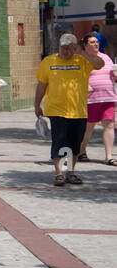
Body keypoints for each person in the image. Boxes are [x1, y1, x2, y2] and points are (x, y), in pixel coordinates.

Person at [34, 33, 106, 186]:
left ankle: (70, 172)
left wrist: (81, 52)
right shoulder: (48, 61)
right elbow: (42, 85)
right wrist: (37, 104)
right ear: (58, 46)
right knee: (59, 142)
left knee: (74, 144)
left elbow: (99, 64)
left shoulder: (82, 60)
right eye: (63, 48)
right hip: (56, 110)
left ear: (74, 48)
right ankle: (59, 173)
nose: (66, 51)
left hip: (78, 111)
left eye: (69, 48)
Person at [81, 32, 117, 165]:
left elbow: (111, 75)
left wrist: (115, 76)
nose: (96, 44)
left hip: (108, 97)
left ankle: (108, 156)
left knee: (109, 125)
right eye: (92, 42)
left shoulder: (106, 57)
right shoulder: (82, 59)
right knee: (88, 127)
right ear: (85, 45)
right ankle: (82, 150)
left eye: (96, 42)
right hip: (91, 99)